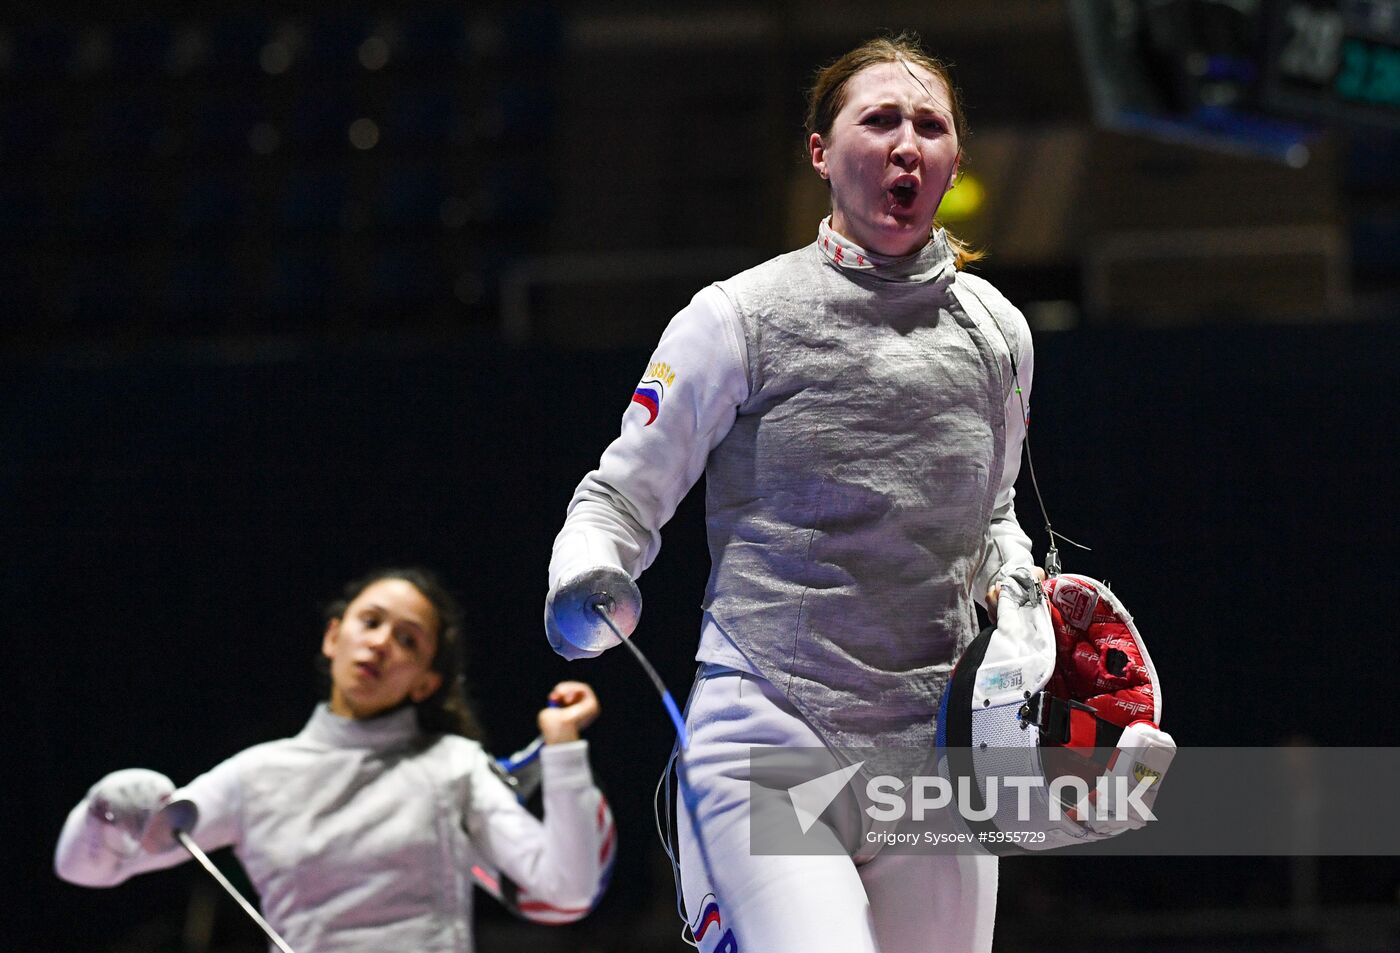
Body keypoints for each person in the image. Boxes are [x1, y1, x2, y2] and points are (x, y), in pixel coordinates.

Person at [545, 33, 1036, 953]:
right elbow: (619, 497)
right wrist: (588, 572)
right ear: (820, 151)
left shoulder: (998, 332)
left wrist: (1023, 596)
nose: (906, 143)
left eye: (929, 126)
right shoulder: (738, 315)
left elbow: (993, 516)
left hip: (934, 753)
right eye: (879, 120)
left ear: (955, 159)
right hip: (770, 731)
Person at [57, 568, 615, 953]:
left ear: (425, 683)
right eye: (370, 622)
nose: (380, 643)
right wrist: (105, 811)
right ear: (333, 636)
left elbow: (567, 887)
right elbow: (85, 869)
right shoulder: (257, 775)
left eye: (408, 640)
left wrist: (563, 748)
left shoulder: (452, 766)